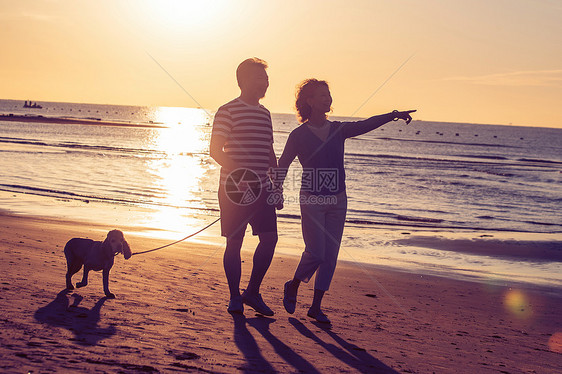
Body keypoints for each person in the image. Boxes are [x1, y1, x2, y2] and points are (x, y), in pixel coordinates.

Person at [276, 78, 415, 324]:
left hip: (338, 200)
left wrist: (392, 115)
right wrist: (276, 191)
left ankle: (316, 307)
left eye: (328, 94)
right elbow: (283, 164)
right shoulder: (298, 135)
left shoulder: (338, 130)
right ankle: (294, 284)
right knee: (316, 253)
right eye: (321, 95)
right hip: (311, 200)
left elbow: (366, 124)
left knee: (330, 256)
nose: (327, 98)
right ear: (308, 101)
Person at [209, 58, 280, 316]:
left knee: (270, 239)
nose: (265, 83)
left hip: (262, 188)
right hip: (234, 189)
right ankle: (234, 297)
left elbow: (268, 151)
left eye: (267, 78)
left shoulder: (265, 113)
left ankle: (252, 292)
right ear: (244, 81)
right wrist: (239, 175)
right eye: (260, 78)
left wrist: (276, 184)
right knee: (234, 242)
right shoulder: (227, 110)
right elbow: (215, 150)